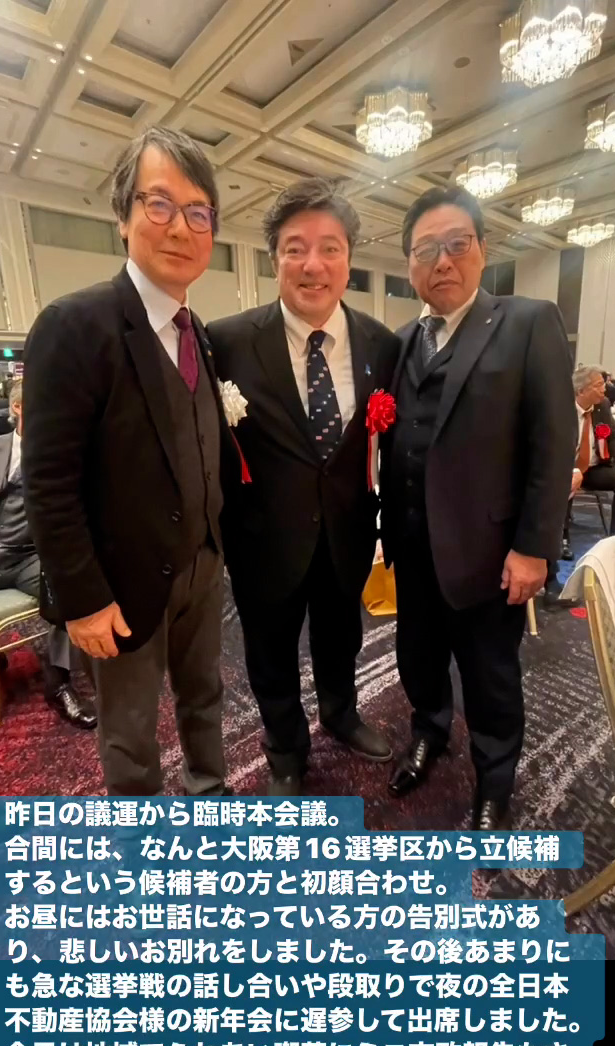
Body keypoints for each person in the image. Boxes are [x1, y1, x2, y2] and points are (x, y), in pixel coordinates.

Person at [22, 126, 239, 797]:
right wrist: (83, 599)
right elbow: (48, 483)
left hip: (202, 564)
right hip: (120, 583)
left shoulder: (198, 334)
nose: (180, 227)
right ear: (123, 217)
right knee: (132, 730)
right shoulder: (74, 325)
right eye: (159, 204)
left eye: (198, 212)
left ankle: (209, 792)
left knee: (205, 694)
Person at [379, 185, 576, 830]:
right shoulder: (402, 341)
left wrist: (534, 547)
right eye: (425, 250)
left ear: (482, 250)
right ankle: (429, 731)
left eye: (456, 244)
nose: (442, 260)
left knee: (490, 675)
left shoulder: (527, 322)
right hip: (412, 544)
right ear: (409, 265)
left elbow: (553, 442)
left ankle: (495, 780)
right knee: (417, 656)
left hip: (490, 553)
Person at [207, 179, 400, 796]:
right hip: (262, 537)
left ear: (349, 258)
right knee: (268, 651)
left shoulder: (382, 344)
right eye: (295, 248)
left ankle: (341, 713)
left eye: (329, 248)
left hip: (348, 528)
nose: (312, 264)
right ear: (275, 259)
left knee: (342, 635)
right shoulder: (227, 340)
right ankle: (285, 747)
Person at [0, 382, 96, 725]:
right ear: (18, 407)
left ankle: (59, 683)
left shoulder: (68, 458)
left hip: (31, 558)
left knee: (69, 585)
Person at [544, 366, 615, 605]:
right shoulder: (560, 408)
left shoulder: (601, 407)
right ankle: (561, 538)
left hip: (595, 467)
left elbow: (612, 436)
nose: (604, 389)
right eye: (598, 385)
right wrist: (572, 470)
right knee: (562, 486)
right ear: (581, 390)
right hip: (564, 468)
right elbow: (551, 445)